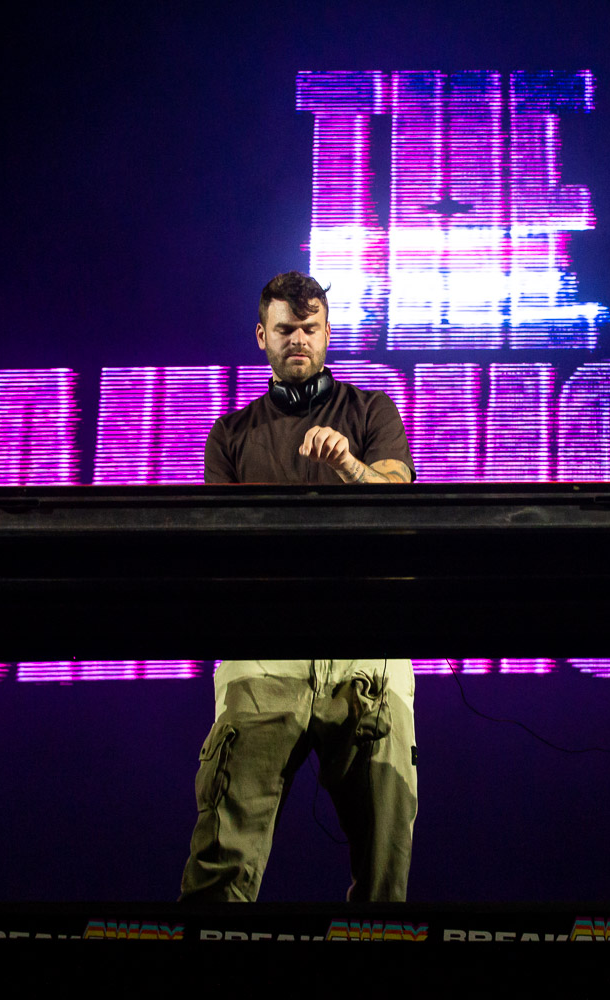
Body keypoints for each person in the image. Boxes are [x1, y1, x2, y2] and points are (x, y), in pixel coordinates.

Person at [179, 271, 418, 902]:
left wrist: (348, 465)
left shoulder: (370, 411)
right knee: (222, 856)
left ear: (327, 333)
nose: (298, 340)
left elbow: (398, 500)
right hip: (264, 646)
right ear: (262, 336)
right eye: (285, 329)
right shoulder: (230, 435)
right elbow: (220, 549)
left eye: (310, 329)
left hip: (367, 648)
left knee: (385, 864)